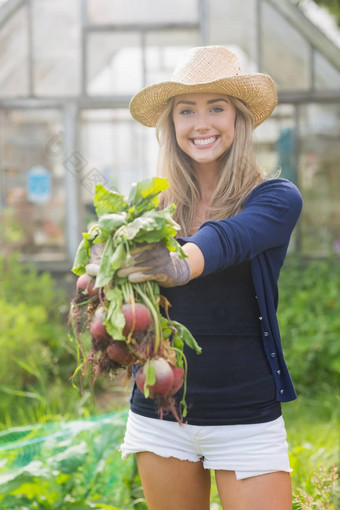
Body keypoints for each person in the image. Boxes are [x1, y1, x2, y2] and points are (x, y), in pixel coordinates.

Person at [118, 45, 303, 510]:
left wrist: (180, 262)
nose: (202, 123)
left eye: (216, 107)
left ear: (239, 120)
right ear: (172, 125)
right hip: (160, 411)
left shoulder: (275, 198)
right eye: (187, 111)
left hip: (246, 414)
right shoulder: (149, 211)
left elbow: (230, 238)